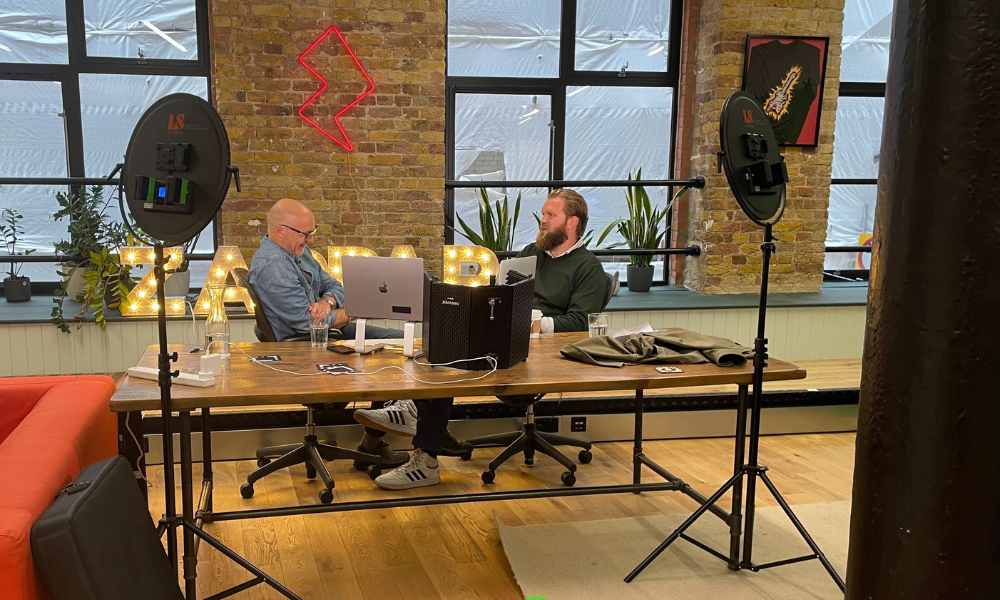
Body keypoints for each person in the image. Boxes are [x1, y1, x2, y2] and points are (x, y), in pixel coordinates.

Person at [249, 199, 470, 475]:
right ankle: (427, 435)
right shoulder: (273, 266)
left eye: (312, 231)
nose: (312, 239)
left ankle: (393, 437)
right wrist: (355, 309)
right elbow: (307, 323)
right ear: (280, 231)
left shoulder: (298, 251)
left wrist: (329, 302)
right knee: (389, 356)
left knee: (413, 344)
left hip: (331, 333)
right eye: (305, 234)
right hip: (307, 346)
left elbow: (334, 286)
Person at [516, 188, 609, 332]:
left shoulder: (589, 268)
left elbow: (580, 321)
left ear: (572, 222)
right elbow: (505, 292)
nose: (543, 221)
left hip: (552, 344)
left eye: (551, 215)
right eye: (543, 214)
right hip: (516, 335)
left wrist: (533, 324)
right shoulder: (531, 252)